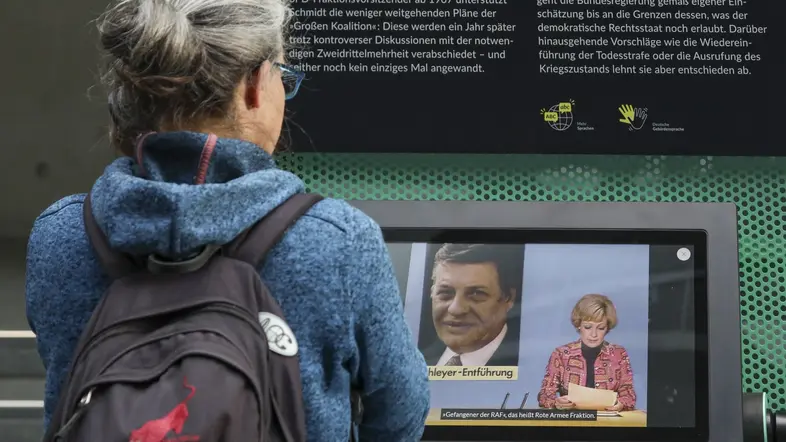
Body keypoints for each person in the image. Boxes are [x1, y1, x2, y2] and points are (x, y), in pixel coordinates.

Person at [24, 0, 429, 440]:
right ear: (255, 83)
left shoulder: (61, 233)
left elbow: (64, 395)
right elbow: (399, 412)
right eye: (283, 75)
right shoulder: (339, 239)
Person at [421, 244, 521, 367]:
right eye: (445, 293)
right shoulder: (415, 362)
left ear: (508, 298)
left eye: (476, 294)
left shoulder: (532, 366)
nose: (455, 309)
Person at [537, 294, 636, 411]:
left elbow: (629, 396)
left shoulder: (619, 354)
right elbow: (544, 395)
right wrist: (556, 403)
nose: (593, 334)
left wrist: (621, 404)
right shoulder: (561, 354)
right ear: (579, 325)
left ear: (607, 328)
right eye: (588, 327)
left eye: (600, 328)